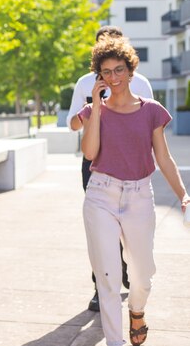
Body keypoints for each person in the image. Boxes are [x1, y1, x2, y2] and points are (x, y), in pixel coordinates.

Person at [78, 35, 190, 346]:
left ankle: (137, 310)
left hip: (140, 195)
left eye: (118, 70)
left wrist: (183, 194)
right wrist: (97, 106)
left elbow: (164, 158)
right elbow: (89, 154)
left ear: (130, 71)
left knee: (143, 274)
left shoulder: (151, 110)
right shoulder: (92, 112)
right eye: (106, 72)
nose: (113, 77)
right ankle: (116, 342)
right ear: (99, 76)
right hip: (101, 195)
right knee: (109, 278)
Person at [67, 25, 153, 312]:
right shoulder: (84, 84)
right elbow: (72, 124)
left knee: (128, 229)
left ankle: (127, 273)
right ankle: (100, 287)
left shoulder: (140, 82)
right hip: (95, 164)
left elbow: (150, 124)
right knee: (100, 229)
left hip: (131, 166)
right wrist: (91, 107)